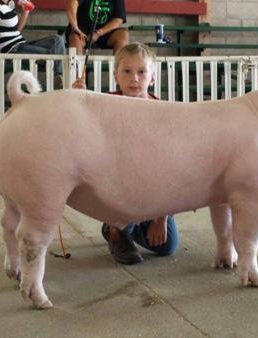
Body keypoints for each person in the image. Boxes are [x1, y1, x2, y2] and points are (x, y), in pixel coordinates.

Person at [73, 43, 179, 265]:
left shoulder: (164, 113)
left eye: (142, 72)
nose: (134, 79)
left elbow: (170, 169)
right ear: (115, 76)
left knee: (167, 247)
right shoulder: (102, 104)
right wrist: (77, 101)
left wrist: (161, 218)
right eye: (127, 71)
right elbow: (78, 130)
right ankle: (116, 229)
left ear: (152, 77)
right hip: (115, 184)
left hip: (153, 189)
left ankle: (128, 224)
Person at [0, 0, 66, 87]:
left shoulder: (10, 4)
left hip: (22, 44)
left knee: (57, 40)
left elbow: (17, 30)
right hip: (12, 50)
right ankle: (61, 80)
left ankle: (60, 77)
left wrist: (25, 11)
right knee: (53, 54)